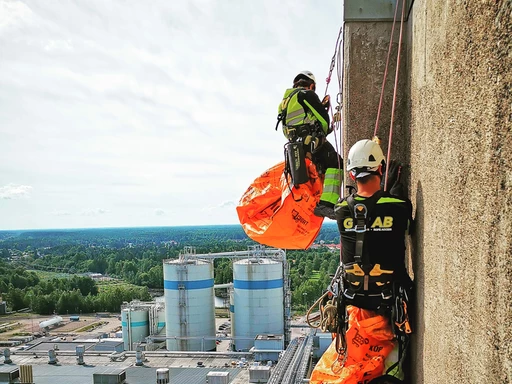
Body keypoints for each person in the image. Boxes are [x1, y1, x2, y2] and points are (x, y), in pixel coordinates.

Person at [331, 138, 413, 382]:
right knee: (390, 365)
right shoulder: (399, 205)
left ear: (351, 174)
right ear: (381, 168)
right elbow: (404, 224)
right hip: (390, 298)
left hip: (354, 300)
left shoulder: (341, 209)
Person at [276, 70, 343, 219]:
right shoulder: (306, 95)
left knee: (320, 171)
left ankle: (318, 202)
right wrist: (325, 129)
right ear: (311, 85)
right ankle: (326, 204)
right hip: (311, 143)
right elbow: (323, 121)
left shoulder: (285, 103)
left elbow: (294, 125)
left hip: (297, 146)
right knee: (337, 163)